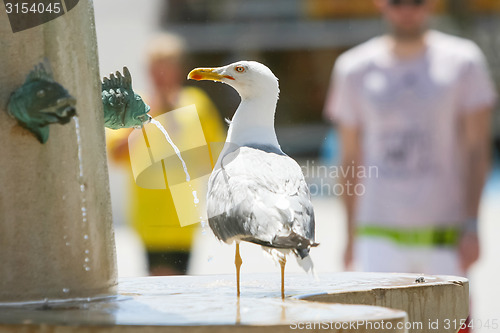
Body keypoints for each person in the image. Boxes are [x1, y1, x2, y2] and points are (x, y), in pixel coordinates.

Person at [324, 0, 497, 277]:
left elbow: (477, 149)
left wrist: (473, 225)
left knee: (449, 322)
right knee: (384, 322)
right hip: (377, 234)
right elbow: (349, 156)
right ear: (381, 3)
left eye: (415, 1)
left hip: (446, 235)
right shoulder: (352, 68)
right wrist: (349, 235)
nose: (407, 10)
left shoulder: (464, 61)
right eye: (397, 2)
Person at [107, 33, 226, 275]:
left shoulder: (197, 102)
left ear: (178, 69)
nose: (161, 75)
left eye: (167, 68)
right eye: (156, 68)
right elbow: (116, 155)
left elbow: (219, 155)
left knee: (181, 292)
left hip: (186, 218)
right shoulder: (132, 105)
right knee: (161, 287)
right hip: (150, 218)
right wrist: (146, 118)